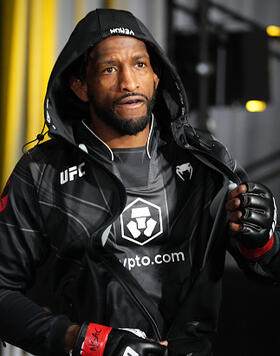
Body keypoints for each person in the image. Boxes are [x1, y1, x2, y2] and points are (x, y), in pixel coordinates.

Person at [0, 8, 279, 356]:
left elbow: (266, 268)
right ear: (80, 85)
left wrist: (262, 238)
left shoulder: (206, 160)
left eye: (140, 65)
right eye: (109, 68)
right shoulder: (41, 172)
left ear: (157, 75)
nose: (129, 82)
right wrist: (85, 341)